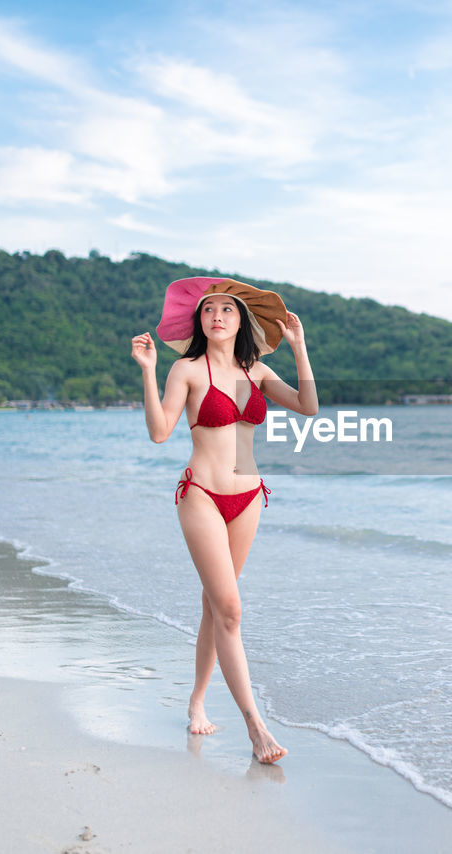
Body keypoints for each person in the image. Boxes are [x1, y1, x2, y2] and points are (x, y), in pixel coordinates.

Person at [130, 277, 317, 764]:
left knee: (216, 605)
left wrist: (299, 348)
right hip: (203, 496)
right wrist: (148, 371)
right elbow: (158, 432)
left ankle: (196, 699)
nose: (217, 315)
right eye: (209, 309)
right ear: (200, 321)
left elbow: (309, 407)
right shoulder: (185, 369)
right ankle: (256, 727)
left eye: (227, 310)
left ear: (241, 321)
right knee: (230, 609)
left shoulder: (257, 373)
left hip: (249, 497)